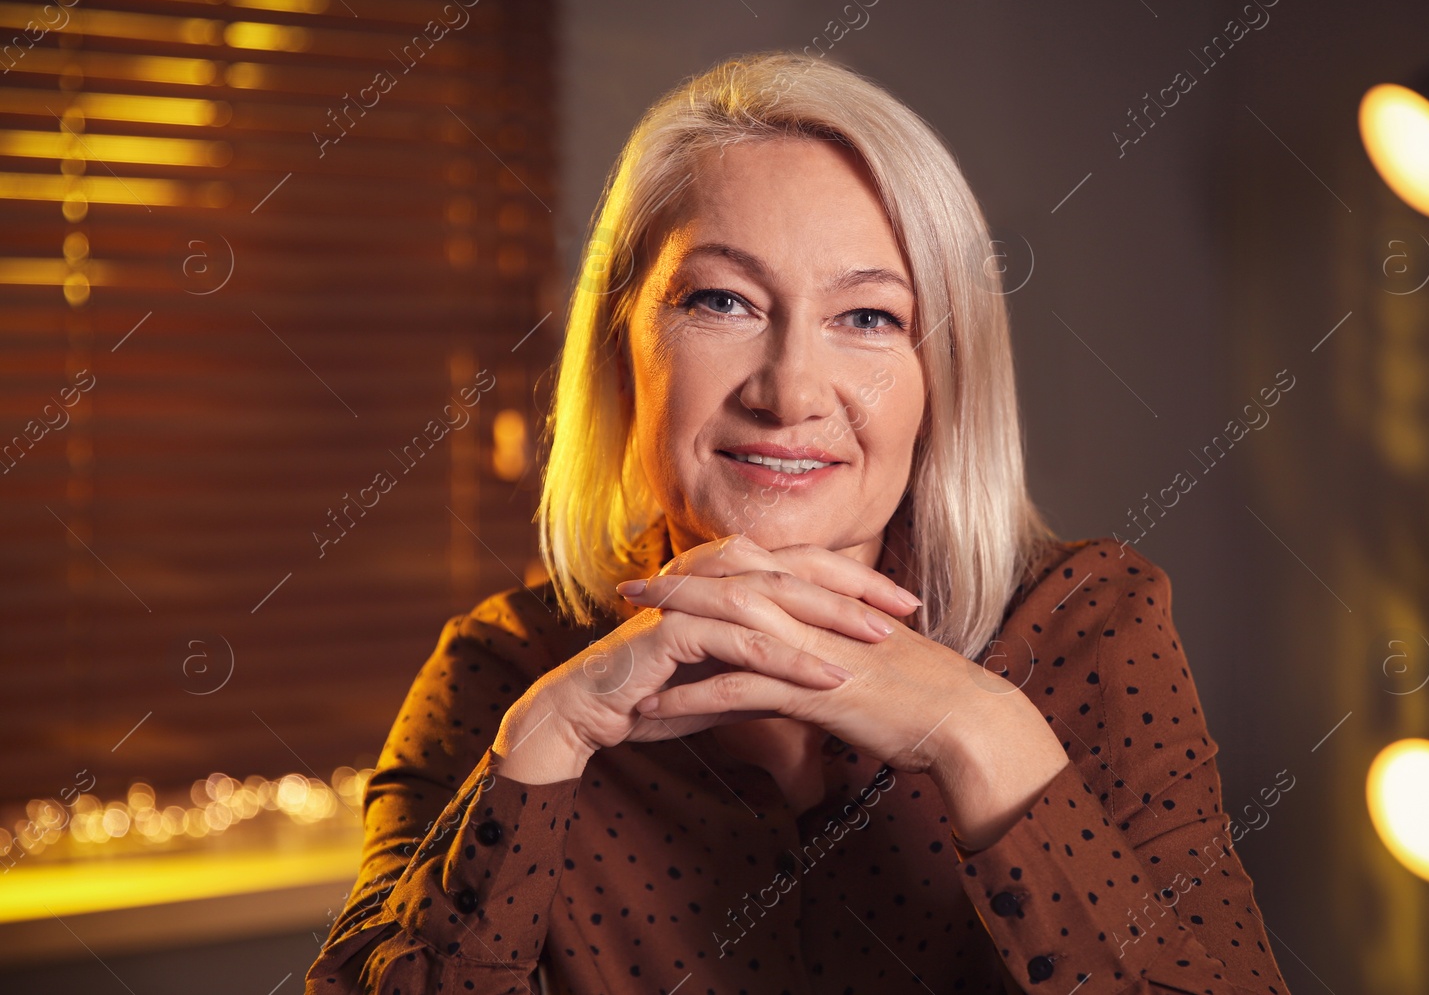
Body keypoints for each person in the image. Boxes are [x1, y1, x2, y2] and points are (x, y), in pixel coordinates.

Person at [304, 50, 1292, 994]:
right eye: (722, 300)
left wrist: (979, 729)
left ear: (940, 377)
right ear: (624, 346)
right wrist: (543, 745)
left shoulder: (1092, 627)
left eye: (867, 317)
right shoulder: (499, 676)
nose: (788, 392)